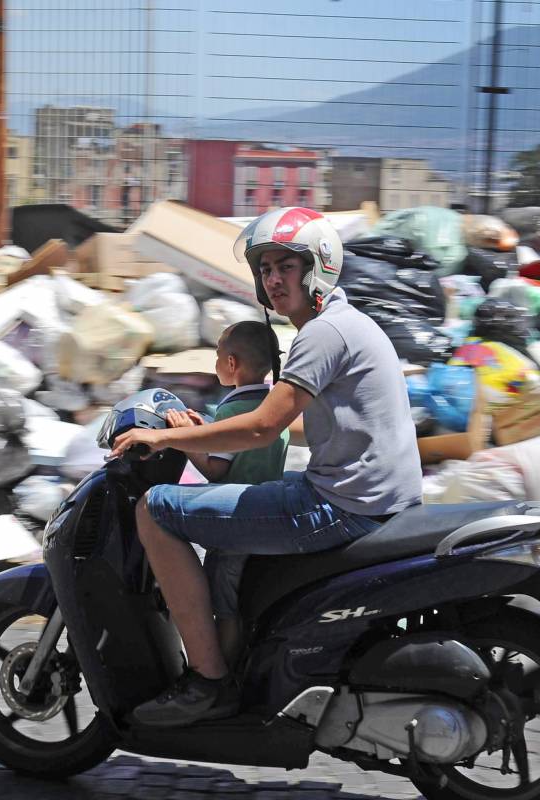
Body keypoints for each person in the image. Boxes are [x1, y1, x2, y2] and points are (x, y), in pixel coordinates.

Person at [110, 207, 423, 727]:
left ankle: (208, 681)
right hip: (370, 496)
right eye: (266, 269)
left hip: (342, 507)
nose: (274, 280)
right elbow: (301, 423)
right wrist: (202, 430)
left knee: (156, 508)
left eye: (287, 267)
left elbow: (262, 427)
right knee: (258, 492)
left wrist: (165, 434)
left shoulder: (323, 334)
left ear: (318, 268)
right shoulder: (347, 324)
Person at [164, 319, 289, 670]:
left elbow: (216, 469)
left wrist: (186, 439)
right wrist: (209, 432)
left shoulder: (234, 410)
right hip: (267, 513)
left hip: (236, 523)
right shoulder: (272, 405)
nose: (216, 362)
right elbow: (236, 445)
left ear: (231, 364)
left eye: (218, 355)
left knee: (225, 605)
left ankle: (222, 676)